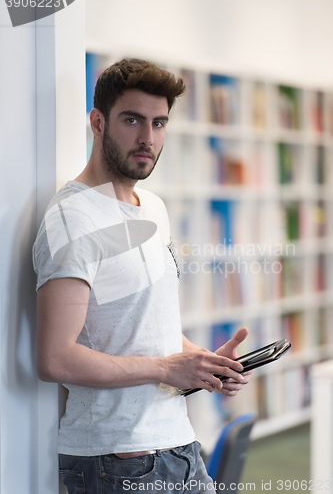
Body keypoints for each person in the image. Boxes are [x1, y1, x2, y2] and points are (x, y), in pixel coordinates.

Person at [33, 58, 251, 494]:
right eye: (132, 120)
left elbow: (146, 329)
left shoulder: (151, 207)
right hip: (116, 460)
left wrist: (202, 363)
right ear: (98, 122)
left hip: (178, 444)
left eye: (159, 122)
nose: (147, 138)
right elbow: (54, 358)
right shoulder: (72, 219)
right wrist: (167, 368)